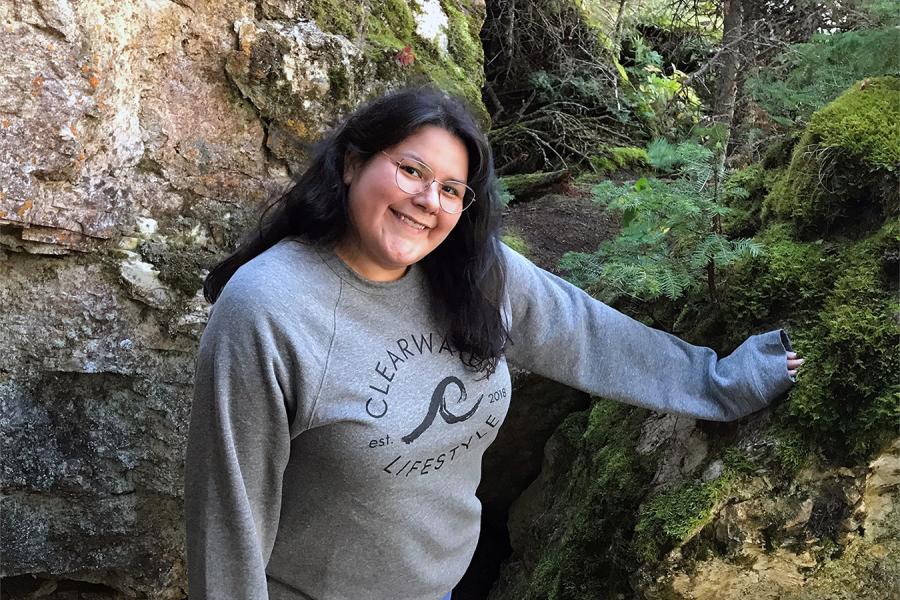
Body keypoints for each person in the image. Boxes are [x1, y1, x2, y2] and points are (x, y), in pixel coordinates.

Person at [184, 87, 804, 600]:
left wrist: (723, 383)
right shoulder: (269, 309)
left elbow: (588, 335)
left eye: (451, 189)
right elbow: (228, 517)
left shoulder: (474, 271)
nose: (428, 202)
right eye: (411, 170)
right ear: (351, 163)